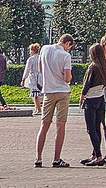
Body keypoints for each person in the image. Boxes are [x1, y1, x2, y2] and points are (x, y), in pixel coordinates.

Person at [32, 32, 75, 167]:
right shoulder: (65, 56)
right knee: (60, 125)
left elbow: (40, 69)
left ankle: (38, 158)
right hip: (62, 91)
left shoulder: (44, 49)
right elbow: (67, 78)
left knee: (44, 125)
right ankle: (56, 159)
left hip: (48, 91)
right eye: (69, 47)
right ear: (68, 43)